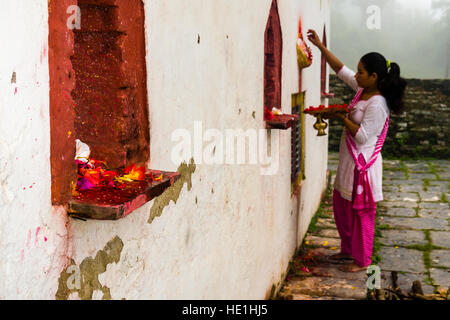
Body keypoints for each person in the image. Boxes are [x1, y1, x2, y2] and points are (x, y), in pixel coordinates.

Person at [307, 29, 407, 272]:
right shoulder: (363, 90)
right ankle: (347, 251)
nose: (357, 75)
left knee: (361, 214)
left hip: (363, 165)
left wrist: (341, 116)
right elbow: (341, 70)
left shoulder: (377, 103)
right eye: (358, 71)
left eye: (361, 72)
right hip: (348, 162)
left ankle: (362, 261)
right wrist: (320, 47)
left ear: (374, 76)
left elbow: (362, 137)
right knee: (342, 207)